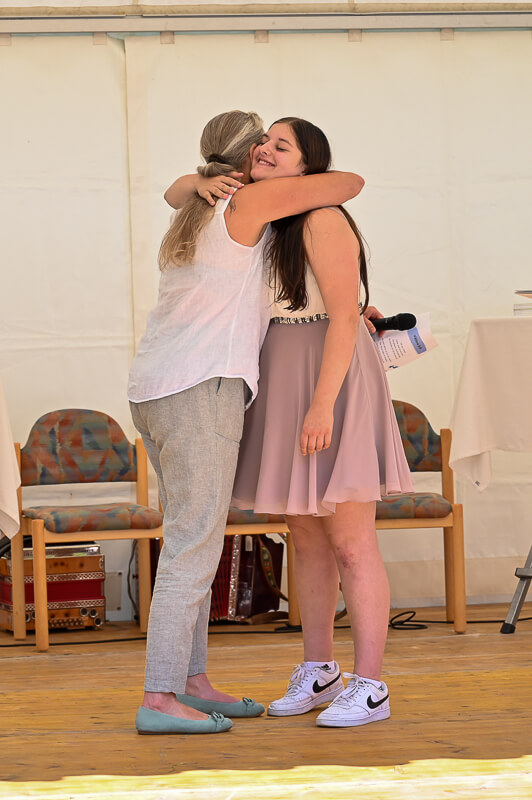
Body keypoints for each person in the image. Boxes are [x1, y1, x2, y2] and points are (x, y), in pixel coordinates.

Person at [127, 110, 365, 735]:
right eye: (262, 142)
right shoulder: (248, 201)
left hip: (157, 388)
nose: (267, 149)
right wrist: (283, 170)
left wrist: (193, 180)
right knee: (193, 546)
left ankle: (193, 681)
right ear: (241, 158)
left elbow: (174, 189)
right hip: (200, 389)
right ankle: (160, 698)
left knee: (194, 538)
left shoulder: (196, 204)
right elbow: (349, 183)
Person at [229, 118, 414, 728]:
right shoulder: (267, 220)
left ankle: (372, 684)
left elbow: (341, 316)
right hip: (283, 372)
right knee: (304, 536)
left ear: (308, 166)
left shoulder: (322, 217)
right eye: (264, 141)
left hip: (327, 379)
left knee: (352, 540)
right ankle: (319, 669)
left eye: (281, 145)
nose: (265, 149)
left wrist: (321, 405)